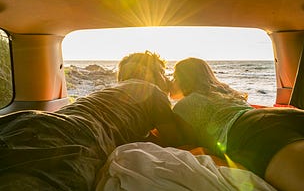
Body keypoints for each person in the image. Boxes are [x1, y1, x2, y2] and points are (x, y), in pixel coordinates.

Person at [0, 51, 184, 190]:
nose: (166, 78)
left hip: (29, 121)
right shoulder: (153, 92)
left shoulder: (110, 90)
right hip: (77, 139)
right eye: (162, 72)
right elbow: (174, 139)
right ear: (150, 74)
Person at [170, 57, 304, 191]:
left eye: (174, 77)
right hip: (284, 116)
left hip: (250, 131)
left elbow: (175, 143)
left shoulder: (184, 105)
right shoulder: (225, 92)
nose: (172, 81)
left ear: (183, 79)